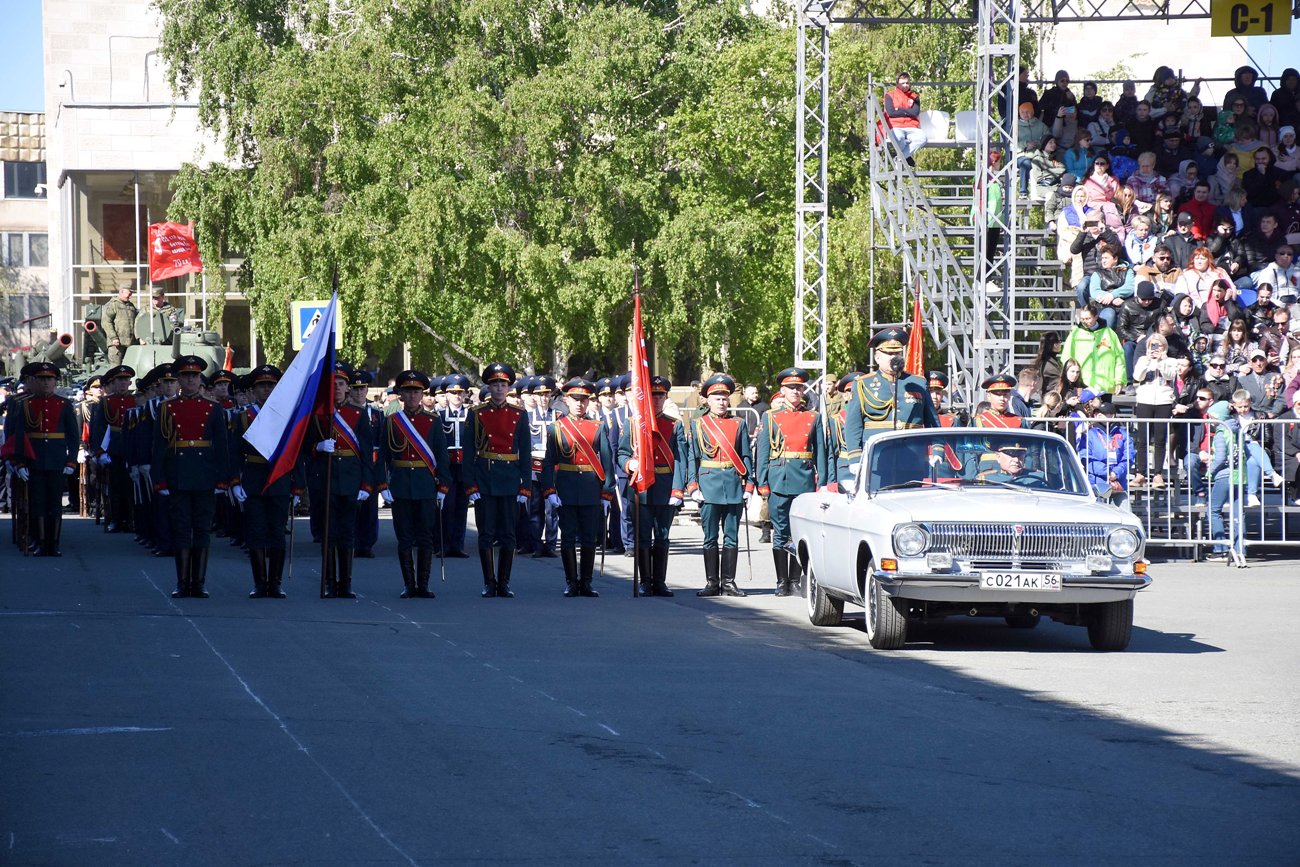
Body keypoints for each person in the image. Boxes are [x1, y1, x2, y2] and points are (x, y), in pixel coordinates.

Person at [153, 356, 231, 598]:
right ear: (178, 380)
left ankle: (199, 582)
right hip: (178, 474)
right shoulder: (167, 407)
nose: (190, 380)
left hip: (205, 475)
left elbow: (222, 446)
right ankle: (182, 581)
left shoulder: (214, 408)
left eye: (195, 376)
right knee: (181, 528)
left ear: (200, 379)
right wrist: (160, 479)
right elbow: (159, 446)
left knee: (202, 529)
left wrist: (223, 479)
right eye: (186, 376)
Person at [305, 362, 376, 600]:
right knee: (328, 534)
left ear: (348, 388)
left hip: (350, 480)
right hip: (324, 480)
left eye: (341, 384)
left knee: (347, 534)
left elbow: (367, 453)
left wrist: (367, 485)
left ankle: (345, 583)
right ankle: (329, 582)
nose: (336, 388)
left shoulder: (358, 414)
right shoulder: (317, 414)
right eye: (332, 384)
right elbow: (305, 448)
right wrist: (318, 446)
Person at [540, 378, 615, 598]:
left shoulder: (598, 426)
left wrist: (607, 492)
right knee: (569, 537)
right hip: (566, 487)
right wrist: (549, 491)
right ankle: (571, 582)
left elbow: (607, 462)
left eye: (584, 400)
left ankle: (587, 582)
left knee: (589, 538)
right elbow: (548, 461)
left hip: (591, 488)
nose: (580, 404)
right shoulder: (557, 427)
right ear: (566, 400)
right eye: (575, 399)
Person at [229, 365, 300, 599]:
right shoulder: (243, 415)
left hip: (279, 479)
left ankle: (275, 583)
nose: (266, 390)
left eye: (270, 385)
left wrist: (298, 486)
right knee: (256, 532)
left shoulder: (288, 416)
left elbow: (295, 452)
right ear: (254, 389)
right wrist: (235, 481)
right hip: (254, 477)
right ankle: (260, 583)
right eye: (262, 386)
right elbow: (234, 452)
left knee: (277, 532)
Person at [379, 369, 450, 599]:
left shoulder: (433, 421)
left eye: (416, 391)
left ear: (422, 394)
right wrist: (383, 485)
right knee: (405, 538)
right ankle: (409, 584)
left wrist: (443, 487)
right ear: (400, 394)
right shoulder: (391, 422)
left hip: (425, 485)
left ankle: (424, 584)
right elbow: (383, 457)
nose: (411, 396)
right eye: (407, 392)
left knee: (425, 537)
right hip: (400, 485)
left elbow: (442, 456)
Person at [755, 367, 825, 597]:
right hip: (780, 479)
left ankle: (795, 580)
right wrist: (762, 481)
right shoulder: (771, 417)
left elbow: (821, 453)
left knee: (799, 534)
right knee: (780, 531)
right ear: (782, 390)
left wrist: (822, 481)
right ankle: (781, 581)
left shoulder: (812, 417)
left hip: (804, 481)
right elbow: (763, 452)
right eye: (791, 387)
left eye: (799, 387)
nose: (796, 391)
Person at [466, 362, 531, 598]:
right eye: (495, 385)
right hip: (486, 478)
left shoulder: (519, 415)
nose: (500, 389)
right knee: (486, 533)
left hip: (510, 479)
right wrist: (470, 484)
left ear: (509, 388)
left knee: (508, 534)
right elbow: (468, 451)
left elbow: (525, 451)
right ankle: (488, 582)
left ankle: (504, 582)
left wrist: (525, 485)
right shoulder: (476, 413)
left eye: (503, 385)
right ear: (489, 387)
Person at [617, 375, 687, 597]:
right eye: (653, 395)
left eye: (660, 395)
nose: (656, 399)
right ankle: (645, 581)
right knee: (643, 536)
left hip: (665, 485)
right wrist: (630, 464)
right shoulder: (633, 423)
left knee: (663, 536)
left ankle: (660, 581)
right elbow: (622, 452)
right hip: (642, 487)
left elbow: (680, 459)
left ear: (666, 397)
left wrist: (678, 489)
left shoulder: (674, 425)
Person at [686, 373, 754, 598]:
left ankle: (729, 582)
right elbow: (692, 458)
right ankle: (712, 582)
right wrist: (693, 486)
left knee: (732, 537)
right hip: (708, 485)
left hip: (733, 485)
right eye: (717, 397)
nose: (722, 401)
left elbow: (746, 457)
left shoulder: (739, 424)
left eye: (725, 397)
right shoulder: (698, 425)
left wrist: (749, 487)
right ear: (707, 400)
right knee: (710, 537)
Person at [842, 327, 939, 480]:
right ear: (877, 357)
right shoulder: (863, 384)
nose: (894, 357)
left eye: (898, 353)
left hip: (912, 460)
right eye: (889, 353)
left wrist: (937, 450)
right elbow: (853, 425)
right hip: (876, 461)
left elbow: (932, 421)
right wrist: (854, 457)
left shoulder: (918, 383)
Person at [5, 362, 77, 557]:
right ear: (35, 381)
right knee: (37, 503)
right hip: (34, 459)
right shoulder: (26, 404)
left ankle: (53, 543)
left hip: (56, 458)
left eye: (49, 379)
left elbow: (72, 435)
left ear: (55, 382)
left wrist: (71, 460)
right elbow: (20, 435)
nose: (46, 383)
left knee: (54, 504)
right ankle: (40, 541)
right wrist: (19, 462)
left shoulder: (64, 404)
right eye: (42, 379)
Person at [1132, 333, 1181, 488]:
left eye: (1158, 345)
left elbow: (1170, 375)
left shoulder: (1171, 361)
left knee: (1160, 440)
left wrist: (1160, 361)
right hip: (1145, 401)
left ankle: (1158, 474)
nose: (1155, 348)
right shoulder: (1142, 360)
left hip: (1163, 402)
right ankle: (1141, 473)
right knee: (1142, 439)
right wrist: (1148, 361)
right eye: (1152, 345)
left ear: (1164, 347)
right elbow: (1137, 376)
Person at [437, 373, 473, 558]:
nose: (457, 396)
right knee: (446, 506)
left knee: (461, 506)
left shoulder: (472, 414)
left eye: (461, 393)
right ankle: (444, 544)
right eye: (453, 392)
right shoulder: (438, 415)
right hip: (447, 466)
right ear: (447, 395)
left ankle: (458, 545)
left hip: (465, 467)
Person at [1062, 303, 1127, 396]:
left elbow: (1119, 359)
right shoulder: (1075, 334)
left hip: (1104, 386)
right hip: (1082, 384)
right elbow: (1066, 356)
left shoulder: (1109, 334)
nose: (1085, 321)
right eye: (1082, 319)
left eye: (1088, 318)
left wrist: (1119, 380)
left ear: (1096, 317)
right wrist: (1069, 376)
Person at [1076, 401, 1131, 510]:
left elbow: (1128, 457)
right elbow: (1086, 458)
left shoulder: (1123, 434)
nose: (1099, 415)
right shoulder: (1088, 435)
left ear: (1112, 415)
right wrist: (1107, 472)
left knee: (1126, 512)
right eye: (1096, 413)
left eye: (1103, 413)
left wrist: (1116, 473)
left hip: (1118, 485)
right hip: (1096, 485)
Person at [883, 72, 927, 165]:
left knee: (922, 138)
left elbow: (915, 112)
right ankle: (905, 157)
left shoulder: (915, 97)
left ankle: (900, 158)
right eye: (903, 83)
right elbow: (891, 113)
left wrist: (899, 110)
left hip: (912, 126)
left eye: (907, 83)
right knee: (899, 138)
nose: (905, 85)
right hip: (896, 126)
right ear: (897, 84)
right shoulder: (890, 95)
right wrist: (907, 111)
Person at [975, 440, 1047, 486]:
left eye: (1020, 455)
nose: (1016, 460)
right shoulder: (986, 480)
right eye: (1011, 455)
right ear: (998, 457)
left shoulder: (1037, 478)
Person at [100, 286, 138, 367]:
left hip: (131, 344)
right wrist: (113, 337)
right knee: (116, 369)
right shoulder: (112, 305)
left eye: (131, 294)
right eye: (129, 293)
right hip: (117, 345)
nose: (130, 296)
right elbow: (106, 322)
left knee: (130, 368)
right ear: (121, 292)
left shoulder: (131, 306)